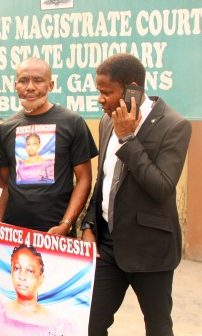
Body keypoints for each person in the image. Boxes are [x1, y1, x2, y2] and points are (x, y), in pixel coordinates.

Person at [80, 53, 192, 336]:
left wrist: (129, 138)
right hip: (107, 246)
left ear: (132, 88)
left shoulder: (174, 126)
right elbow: (104, 179)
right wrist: (89, 223)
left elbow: (162, 187)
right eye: (98, 92)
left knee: (157, 327)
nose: (100, 99)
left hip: (150, 249)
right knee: (89, 324)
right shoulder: (107, 121)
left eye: (106, 92)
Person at [0, 57, 97, 257]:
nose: (30, 87)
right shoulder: (7, 128)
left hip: (57, 235)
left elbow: (84, 179)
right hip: (13, 235)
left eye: (38, 80)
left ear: (50, 85)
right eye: (24, 80)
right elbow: (3, 181)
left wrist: (66, 224)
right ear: (16, 85)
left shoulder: (73, 122)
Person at [0, 244, 77, 336]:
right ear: (11, 272)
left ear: (41, 278)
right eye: (17, 268)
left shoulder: (57, 325)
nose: (22, 276)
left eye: (30, 271)